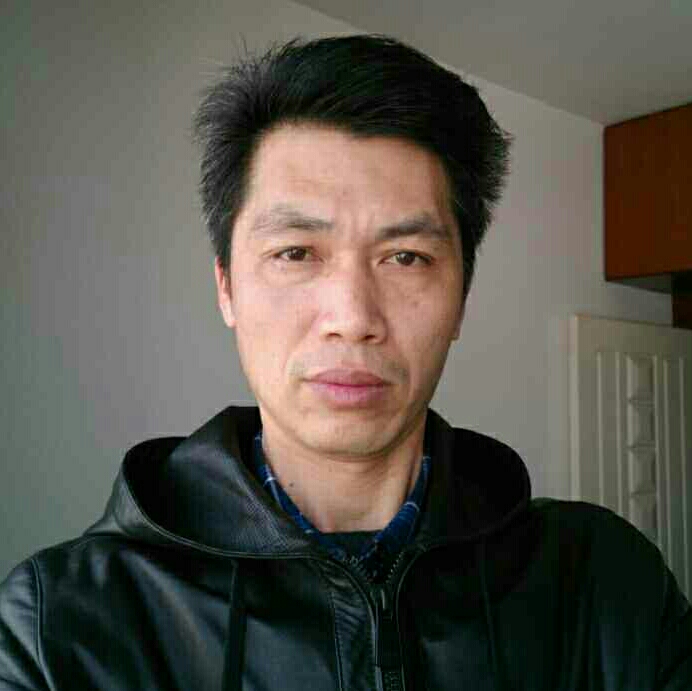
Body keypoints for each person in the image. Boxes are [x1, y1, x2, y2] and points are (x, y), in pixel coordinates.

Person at [0, 34, 690, 691]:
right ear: (226, 287)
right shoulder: (55, 625)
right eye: (296, 252)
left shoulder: (605, 586)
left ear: (462, 298)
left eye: (406, 257)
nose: (354, 316)